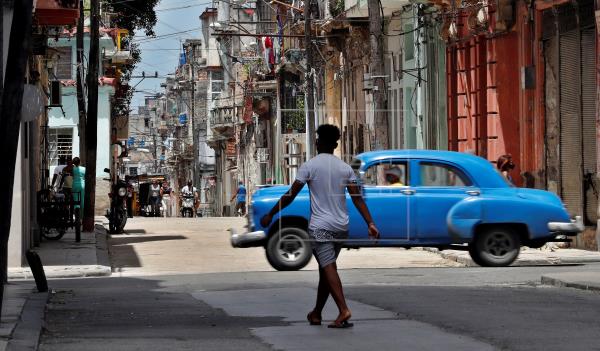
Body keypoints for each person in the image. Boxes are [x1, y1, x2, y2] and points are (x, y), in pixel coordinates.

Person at [260, 124, 380, 329]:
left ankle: (344, 310)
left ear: (319, 142)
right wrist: (370, 222)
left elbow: (290, 195)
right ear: (334, 144)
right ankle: (317, 313)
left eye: (317, 138)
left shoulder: (310, 166)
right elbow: (358, 199)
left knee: (328, 268)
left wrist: (271, 213)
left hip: (320, 228)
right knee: (327, 269)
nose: (315, 141)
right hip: (341, 227)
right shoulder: (345, 168)